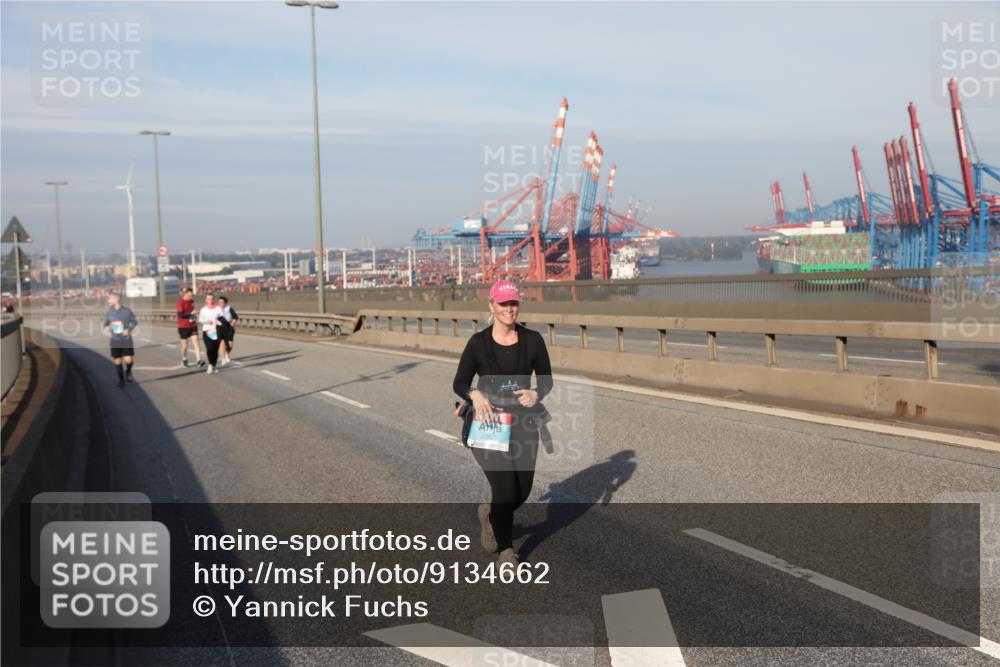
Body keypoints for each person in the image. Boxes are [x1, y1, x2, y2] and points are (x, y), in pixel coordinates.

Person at [453, 280, 552, 566]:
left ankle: (490, 514)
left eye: (513, 303)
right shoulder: (478, 343)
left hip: (524, 423)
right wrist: (475, 394)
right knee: (505, 490)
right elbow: (459, 381)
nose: (509, 309)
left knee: (522, 491)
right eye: (503, 304)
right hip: (489, 423)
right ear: (492, 306)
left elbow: (546, 380)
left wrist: (536, 393)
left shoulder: (533, 340)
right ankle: (506, 550)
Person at [102, 292, 139, 387]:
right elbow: (106, 324)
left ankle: (128, 371)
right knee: (117, 361)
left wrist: (128, 329)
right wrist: (108, 327)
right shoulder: (109, 312)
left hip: (126, 339)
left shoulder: (127, 311)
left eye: (110, 298)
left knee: (128, 360)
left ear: (116, 300)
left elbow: (134, 321)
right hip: (115, 340)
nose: (108, 300)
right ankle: (121, 380)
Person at [176, 288, 205, 367]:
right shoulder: (180, 303)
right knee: (184, 345)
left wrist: (197, 315)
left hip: (192, 325)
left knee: (196, 340)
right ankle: (184, 358)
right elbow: (181, 315)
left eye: (192, 295)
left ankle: (198, 361)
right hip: (183, 326)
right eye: (190, 295)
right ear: (185, 294)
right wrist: (191, 313)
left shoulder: (191, 301)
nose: (191, 297)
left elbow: (193, 310)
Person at [198, 293, 225, 374]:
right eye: (208, 299)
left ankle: (214, 365)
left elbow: (223, 319)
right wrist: (207, 321)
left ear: (213, 299)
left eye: (211, 299)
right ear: (206, 300)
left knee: (215, 350)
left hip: (217, 331)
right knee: (209, 349)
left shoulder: (218, 309)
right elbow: (200, 320)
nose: (210, 300)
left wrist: (219, 322)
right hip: (207, 331)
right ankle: (210, 365)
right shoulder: (203, 309)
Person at [218, 296, 239, 366]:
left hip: (229, 328)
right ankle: (223, 358)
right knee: (222, 343)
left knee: (230, 345)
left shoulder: (229, 308)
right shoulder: (217, 310)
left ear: (225, 303)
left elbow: (235, 317)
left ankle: (227, 354)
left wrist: (233, 322)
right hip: (221, 328)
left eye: (221, 302)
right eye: (219, 302)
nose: (220, 303)